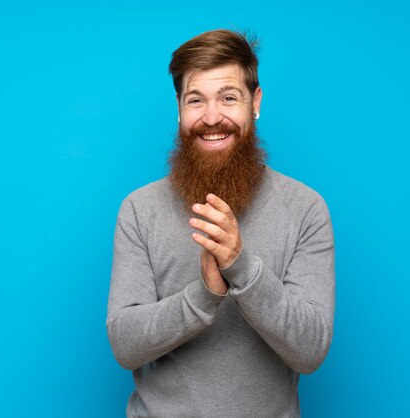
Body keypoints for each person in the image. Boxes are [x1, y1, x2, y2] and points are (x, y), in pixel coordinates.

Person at [107, 29, 335, 417]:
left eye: (229, 98)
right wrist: (205, 294)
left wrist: (240, 267)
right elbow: (125, 346)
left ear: (255, 102)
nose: (212, 118)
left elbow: (310, 351)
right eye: (196, 100)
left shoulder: (306, 209)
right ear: (179, 107)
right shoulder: (139, 209)